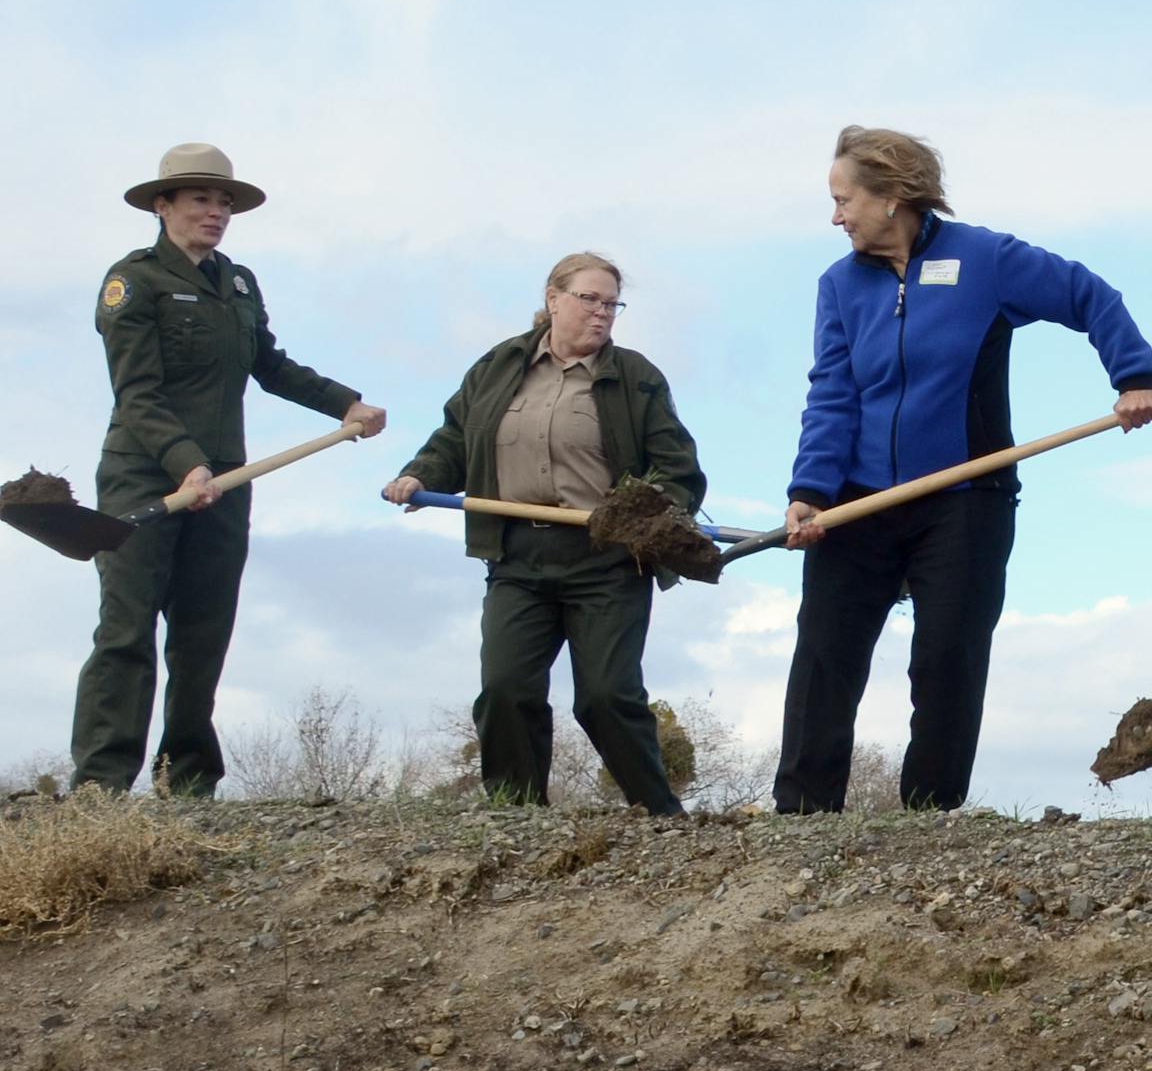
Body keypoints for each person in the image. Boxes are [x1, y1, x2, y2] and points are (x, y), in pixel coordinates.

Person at [776, 126, 1152, 813]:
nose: (835, 217)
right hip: (858, 499)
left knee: (946, 658)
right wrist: (810, 491)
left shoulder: (985, 259)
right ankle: (803, 812)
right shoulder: (837, 285)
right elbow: (831, 393)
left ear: (894, 196)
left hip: (966, 495)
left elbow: (1089, 295)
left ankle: (930, 814)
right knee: (824, 654)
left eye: (844, 200)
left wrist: (1131, 375)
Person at [68, 143, 385, 795]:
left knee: (203, 632)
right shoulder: (134, 282)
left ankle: (187, 782)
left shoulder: (238, 283)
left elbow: (269, 365)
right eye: (199, 200)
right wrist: (187, 467)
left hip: (227, 480)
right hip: (143, 476)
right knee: (127, 629)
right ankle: (99, 786)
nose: (215, 212)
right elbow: (138, 395)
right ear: (163, 207)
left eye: (223, 202)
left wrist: (344, 402)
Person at [384, 253, 706, 813]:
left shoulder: (635, 377)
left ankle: (659, 815)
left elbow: (677, 468)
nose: (602, 314)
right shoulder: (497, 366)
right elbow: (456, 437)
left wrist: (642, 512)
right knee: (507, 689)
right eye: (589, 299)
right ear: (553, 298)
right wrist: (420, 475)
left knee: (607, 696)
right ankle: (516, 815)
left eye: (612, 304)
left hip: (607, 558)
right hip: (517, 557)